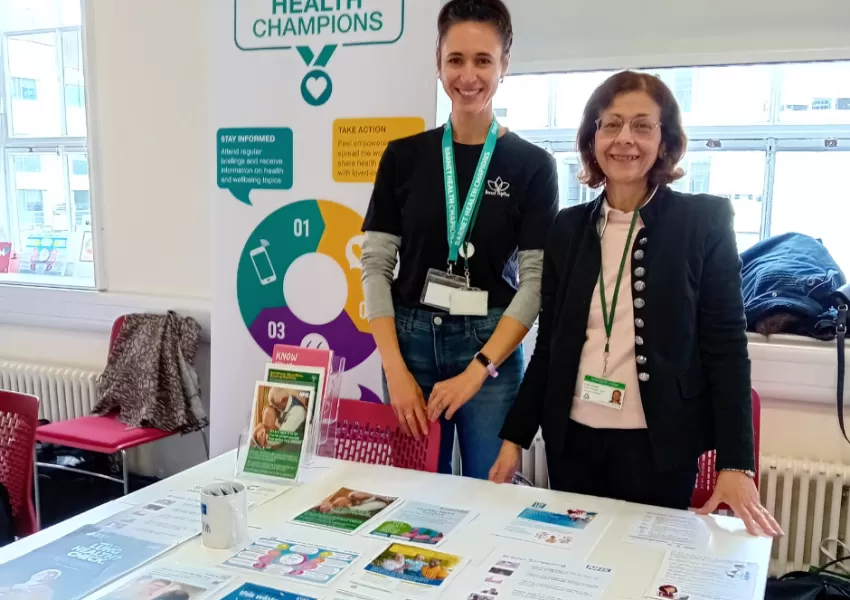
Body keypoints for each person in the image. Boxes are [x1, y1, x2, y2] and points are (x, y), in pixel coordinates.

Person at [489, 71, 783, 537]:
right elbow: (550, 349)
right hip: (573, 442)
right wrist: (514, 439)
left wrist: (737, 465)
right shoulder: (566, 228)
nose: (625, 139)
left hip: (659, 449)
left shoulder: (703, 222)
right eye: (611, 124)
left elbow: (726, 349)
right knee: (573, 568)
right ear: (592, 139)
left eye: (643, 126)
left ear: (664, 141)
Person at [360, 0, 559, 478]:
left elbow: (536, 284)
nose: (468, 76)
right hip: (408, 342)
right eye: (456, 59)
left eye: (483, 60)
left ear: (505, 65)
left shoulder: (532, 166)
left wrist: (477, 372)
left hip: (488, 344)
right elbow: (375, 267)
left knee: (489, 493)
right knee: (414, 494)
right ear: (437, 61)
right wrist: (394, 370)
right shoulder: (403, 157)